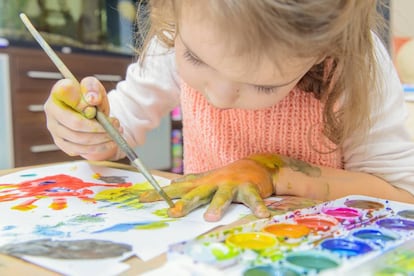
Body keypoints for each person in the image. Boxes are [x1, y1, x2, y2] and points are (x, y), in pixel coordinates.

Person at [44, 0, 414, 222]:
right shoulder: (180, 30)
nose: (218, 97)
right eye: (194, 58)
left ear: (324, 51)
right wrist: (91, 129)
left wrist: (275, 172)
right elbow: (119, 132)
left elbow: (401, 196)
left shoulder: (355, 66)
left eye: (265, 85)